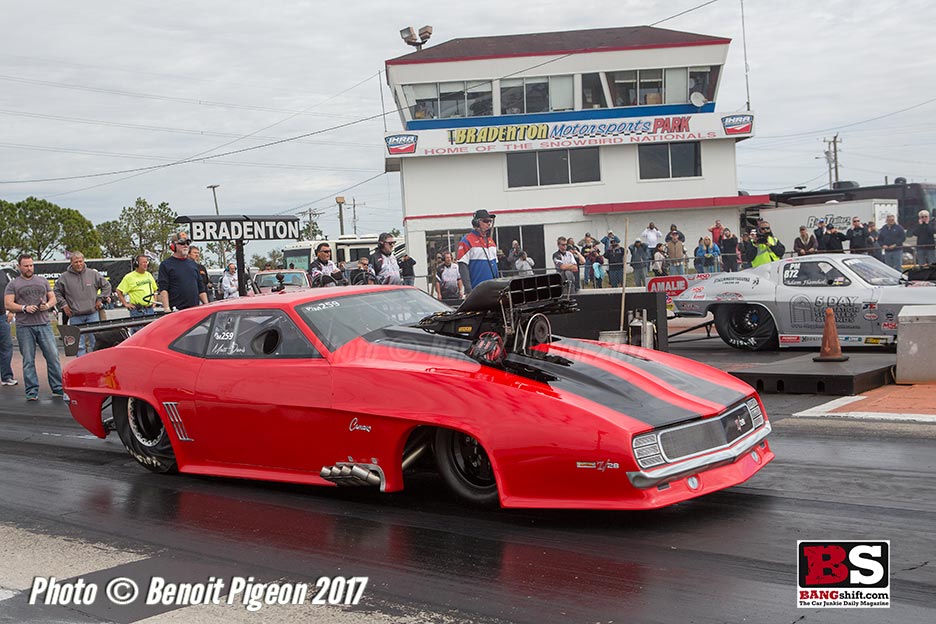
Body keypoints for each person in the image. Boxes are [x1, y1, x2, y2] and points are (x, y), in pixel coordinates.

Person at [4, 254, 63, 400]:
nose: (29, 268)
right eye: (26, 266)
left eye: (31, 265)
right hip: (24, 327)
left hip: (44, 324)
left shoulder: (42, 280)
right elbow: (8, 304)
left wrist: (47, 305)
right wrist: (24, 308)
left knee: (53, 357)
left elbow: (53, 298)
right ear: (19, 267)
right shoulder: (13, 284)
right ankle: (31, 391)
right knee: (28, 360)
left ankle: (58, 388)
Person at [53, 252, 112, 357]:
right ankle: (81, 364)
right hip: (75, 315)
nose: (79, 264)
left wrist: (100, 299)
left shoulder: (93, 274)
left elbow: (107, 286)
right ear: (71, 263)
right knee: (79, 345)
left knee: (96, 341)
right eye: (76, 262)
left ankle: (96, 362)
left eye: (80, 261)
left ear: (84, 261)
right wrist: (64, 305)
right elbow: (56, 292)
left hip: (92, 314)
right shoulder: (64, 277)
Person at [158, 233, 208, 310]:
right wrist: (166, 308)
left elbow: (201, 288)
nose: (185, 245)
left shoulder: (193, 264)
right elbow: (163, 288)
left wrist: (207, 306)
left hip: (194, 309)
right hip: (176, 310)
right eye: (182, 243)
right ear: (173, 246)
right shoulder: (166, 265)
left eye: (187, 243)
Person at [456, 210, 499, 292]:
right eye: (485, 221)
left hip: (493, 289)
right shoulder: (466, 241)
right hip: (477, 289)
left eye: (490, 221)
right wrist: (468, 290)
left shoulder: (491, 242)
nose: (489, 223)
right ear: (476, 223)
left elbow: (495, 267)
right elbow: (463, 267)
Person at [0, 269, 16, 386]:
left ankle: (6, 377)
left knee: (6, 347)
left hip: (2, 316)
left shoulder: (2, 274)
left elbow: (11, 294)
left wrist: (11, 311)